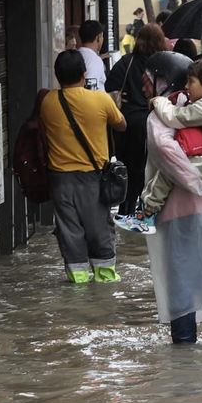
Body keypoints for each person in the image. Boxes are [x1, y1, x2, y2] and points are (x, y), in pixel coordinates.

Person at [140, 55, 202, 349]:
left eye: (150, 80)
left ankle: (185, 347)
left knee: (182, 272)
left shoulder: (174, 109)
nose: (146, 86)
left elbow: (165, 151)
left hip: (182, 208)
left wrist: (188, 178)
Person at [40, 49, 127, 283]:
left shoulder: (48, 101)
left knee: (69, 231)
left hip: (59, 181)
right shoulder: (100, 99)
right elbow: (121, 125)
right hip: (92, 179)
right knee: (99, 228)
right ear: (84, 73)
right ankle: (105, 280)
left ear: (57, 75)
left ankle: (77, 281)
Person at [139, 57, 202, 222]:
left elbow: (173, 117)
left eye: (191, 82)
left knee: (170, 168)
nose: (186, 87)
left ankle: (145, 214)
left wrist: (160, 101)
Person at [105, 22, 168, 215]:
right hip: (156, 126)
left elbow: (109, 87)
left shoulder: (126, 62)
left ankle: (126, 212)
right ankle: (147, 213)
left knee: (129, 175)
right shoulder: (165, 64)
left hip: (128, 128)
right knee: (151, 176)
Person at [76, 19, 109, 90]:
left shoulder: (75, 56)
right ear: (98, 37)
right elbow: (90, 90)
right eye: (102, 36)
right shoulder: (94, 61)